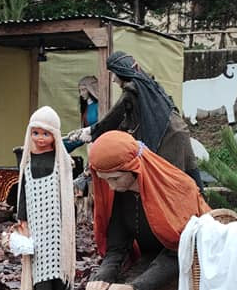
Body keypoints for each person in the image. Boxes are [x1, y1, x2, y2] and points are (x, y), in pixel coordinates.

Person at [85, 130, 210, 290]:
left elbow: (183, 248)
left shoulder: (178, 188)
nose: (111, 187)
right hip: (151, 261)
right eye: (105, 180)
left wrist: (137, 286)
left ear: (134, 168)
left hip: (191, 267)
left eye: (115, 179)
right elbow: (117, 246)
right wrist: (102, 278)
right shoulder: (122, 193)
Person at [66, 51, 203, 191]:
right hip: (179, 129)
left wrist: (91, 132)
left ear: (121, 72)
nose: (113, 79)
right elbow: (127, 121)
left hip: (169, 136)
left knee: (170, 182)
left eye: (114, 74)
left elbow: (114, 117)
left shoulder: (132, 89)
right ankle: (201, 206)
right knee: (189, 174)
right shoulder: (148, 83)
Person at [4, 106, 76, 290]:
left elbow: (66, 193)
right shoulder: (26, 160)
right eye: (36, 133)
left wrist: (67, 222)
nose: (40, 138)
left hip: (57, 224)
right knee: (40, 263)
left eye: (46, 133)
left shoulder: (60, 160)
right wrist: (22, 220)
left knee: (58, 262)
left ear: (55, 135)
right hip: (36, 224)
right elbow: (23, 193)